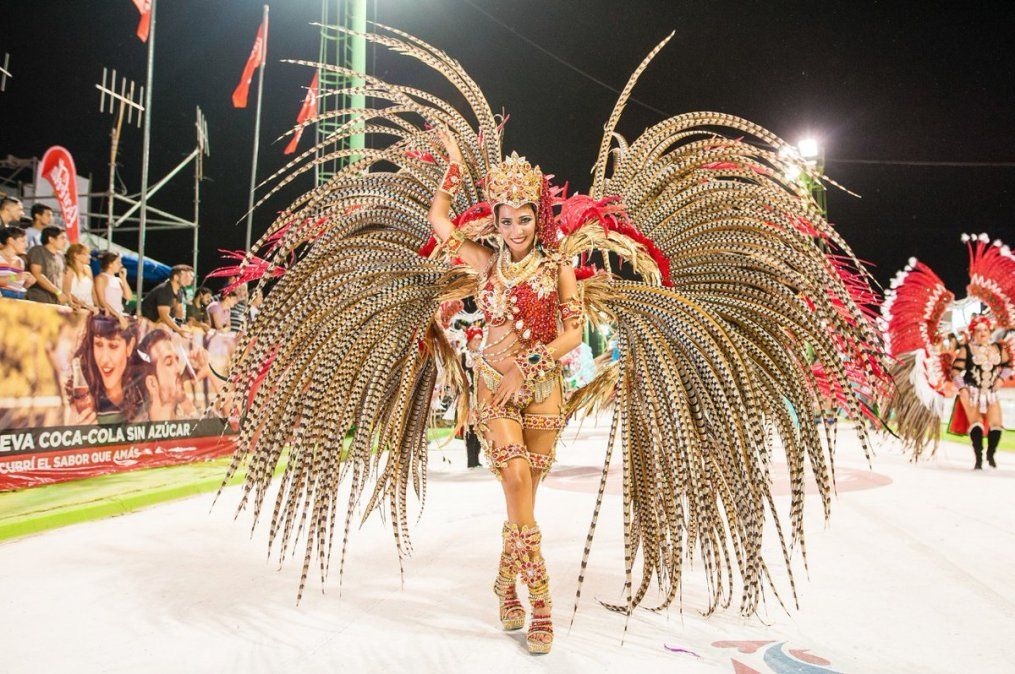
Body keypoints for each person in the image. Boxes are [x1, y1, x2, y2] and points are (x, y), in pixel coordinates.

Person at [219, 29, 887, 656]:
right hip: (492, 389)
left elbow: (571, 330)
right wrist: (452, 170)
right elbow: (436, 221)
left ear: (538, 215)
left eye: (522, 217)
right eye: (503, 219)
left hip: (544, 391)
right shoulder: (483, 263)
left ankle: (501, 581)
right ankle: (538, 603)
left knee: (523, 499)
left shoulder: (557, 264)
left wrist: (536, 362)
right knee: (511, 477)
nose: (511, 227)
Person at [951, 315, 1013, 469]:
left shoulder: (999, 347)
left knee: (996, 424)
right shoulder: (966, 349)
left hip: (991, 391)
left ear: (989, 330)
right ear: (972, 333)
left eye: (985, 329)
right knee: (976, 423)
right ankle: (978, 458)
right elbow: (955, 371)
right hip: (971, 391)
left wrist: (1000, 380)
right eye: (978, 330)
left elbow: (1008, 366)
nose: (982, 333)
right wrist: (962, 388)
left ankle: (990, 455)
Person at [67, 314, 142, 425]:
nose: (104, 359)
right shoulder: (83, 399)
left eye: (113, 346)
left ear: (129, 346)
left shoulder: (142, 390)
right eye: (98, 344)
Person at [140, 264, 192, 336]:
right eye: (187, 276)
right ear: (176, 277)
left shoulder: (179, 291)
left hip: (157, 325)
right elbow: (164, 315)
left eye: (191, 276)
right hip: (144, 324)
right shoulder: (165, 289)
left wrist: (180, 325)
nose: (191, 278)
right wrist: (179, 330)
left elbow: (179, 311)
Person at [25, 226, 68, 304]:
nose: (65, 241)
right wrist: (58, 292)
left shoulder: (61, 256)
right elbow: (37, 274)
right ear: (51, 239)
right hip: (38, 300)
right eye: (62, 238)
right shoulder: (38, 250)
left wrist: (69, 300)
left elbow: (63, 279)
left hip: (57, 301)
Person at [94, 251, 132, 320]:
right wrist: (118, 316)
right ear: (110, 264)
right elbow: (102, 301)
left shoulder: (118, 280)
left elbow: (129, 297)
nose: (121, 265)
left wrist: (123, 279)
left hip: (119, 314)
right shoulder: (101, 278)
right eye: (118, 263)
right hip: (108, 315)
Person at [0, 226, 33, 299]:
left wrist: (28, 283)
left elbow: (17, 286)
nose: (26, 245)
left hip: (17, 299)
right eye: (23, 241)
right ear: (11, 240)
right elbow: (15, 278)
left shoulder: (20, 261)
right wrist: (15, 277)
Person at [63, 243, 96, 312]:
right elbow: (66, 291)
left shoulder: (88, 269)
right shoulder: (69, 270)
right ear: (76, 255)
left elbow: (93, 291)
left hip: (90, 309)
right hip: (75, 309)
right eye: (86, 254)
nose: (89, 256)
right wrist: (80, 303)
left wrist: (98, 306)